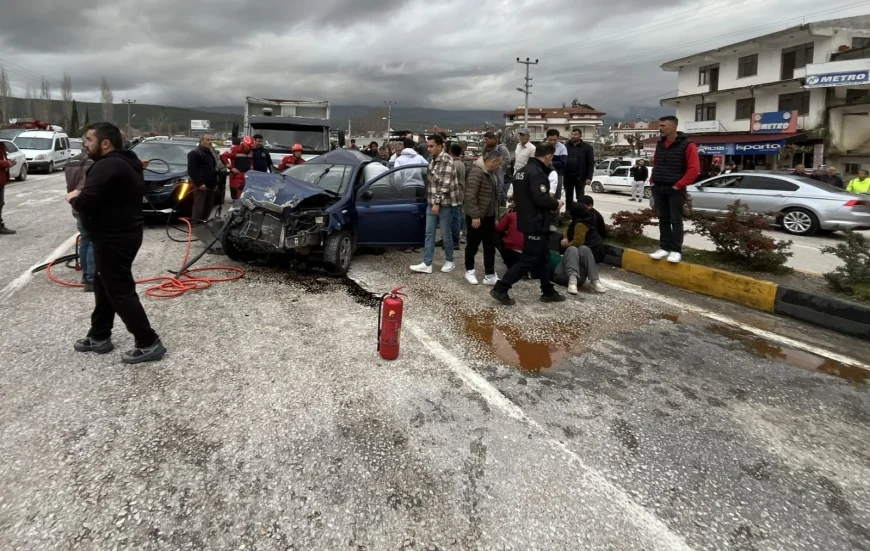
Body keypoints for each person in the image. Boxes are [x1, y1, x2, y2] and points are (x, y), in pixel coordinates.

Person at [66, 122, 165, 364]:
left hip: (114, 237)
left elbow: (87, 202)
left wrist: (74, 197)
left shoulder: (107, 165)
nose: (85, 145)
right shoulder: (127, 161)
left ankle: (148, 341)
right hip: (120, 234)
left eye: (89, 140)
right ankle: (99, 335)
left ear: (105, 143)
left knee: (119, 290)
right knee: (104, 285)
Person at [490, 143, 564, 306]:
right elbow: (541, 198)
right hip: (536, 222)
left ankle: (548, 291)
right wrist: (556, 203)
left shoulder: (521, 172)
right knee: (528, 260)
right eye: (551, 158)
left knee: (544, 257)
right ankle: (501, 288)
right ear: (548, 156)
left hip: (527, 220)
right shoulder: (537, 173)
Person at [648, 115, 700, 264]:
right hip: (659, 187)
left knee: (676, 220)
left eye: (663, 126)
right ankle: (664, 247)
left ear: (673, 126)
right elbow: (656, 164)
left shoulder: (688, 145)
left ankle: (676, 250)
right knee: (663, 219)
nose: (660, 128)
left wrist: (679, 185)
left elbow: (694, 169)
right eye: (659, 125)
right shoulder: (660, 144)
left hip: (675, 189)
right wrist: (652, 181)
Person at [410, 134, 459, 274]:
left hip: (445, 203)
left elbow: (445, 184)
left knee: (445, 233)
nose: (429, 149)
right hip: (431, 202)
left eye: (431, 146)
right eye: (428, 146)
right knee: (429, 232)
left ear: (440, 146)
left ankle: (450, 260)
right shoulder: (432, 160)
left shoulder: (447, 160)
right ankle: (427, 263)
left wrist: (437, 203)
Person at [463, 150, 503, 285]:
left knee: (490, 246)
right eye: (499, 163)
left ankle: (489, 274)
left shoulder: (491, 174)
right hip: (477, 217)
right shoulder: (477, 172)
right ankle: (469, 270)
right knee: (472, 245)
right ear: (493, 161)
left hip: (489, 216)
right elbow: (470, 195)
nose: (499, 166)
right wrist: (475, 216)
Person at [554, 203, 607, 294]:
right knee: (574, 249)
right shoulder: (587, 222)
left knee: (581, 248)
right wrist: (566, 237)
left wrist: (565, 245)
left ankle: (594, 279)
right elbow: (568, 230)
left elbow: (578, 242)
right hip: (564, 276)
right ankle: (576, 279)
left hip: (578, 278)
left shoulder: (580, 225)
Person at [65, 146, 95, 291]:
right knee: (93, 241)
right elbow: (85, 185)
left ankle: (86, 275)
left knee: (85, 240)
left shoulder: (72, 161)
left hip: (76, 206)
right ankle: (91, 279)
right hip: (88, 206)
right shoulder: (93, 162)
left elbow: (70, 185)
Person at [186, 133, 218, 223]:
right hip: (201, 186)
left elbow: (212, 168)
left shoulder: (209, 153)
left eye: (211, 140)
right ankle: (195, 224)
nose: (210, 142)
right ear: (201, 141)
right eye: (208, 140)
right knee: (199, 207)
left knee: (208, 207)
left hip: (210, 185)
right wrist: (199, 183)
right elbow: (192, 171)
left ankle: (203, 224)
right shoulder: (195, 153)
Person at [564, 128, 595, 208]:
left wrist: (589, 177)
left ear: (580, 136)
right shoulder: (566, 146)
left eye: (575, 134)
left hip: (580, 177)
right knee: (568, 197)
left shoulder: (587, 147)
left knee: (580, 198)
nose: (573, 136)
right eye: (572, 134)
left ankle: (580, 212)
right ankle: (568, 212)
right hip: (568, 176)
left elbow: (590, 163)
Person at [222, 136, 254, 200]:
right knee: (236, 197)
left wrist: (251, 170)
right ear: (244, 144)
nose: (248, 149)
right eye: (247, 147)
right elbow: (223, 156)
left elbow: (251, 162)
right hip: (236, 176)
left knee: (246, 197)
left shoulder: (251, 151)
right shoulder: (235, 149)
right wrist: (231, 168)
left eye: (250, 147)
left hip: (246, 176)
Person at [495, 197, 524, 270]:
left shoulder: (511, 215)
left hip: (512, 248)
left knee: (496, 235)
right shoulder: (533, 217)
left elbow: (498, 228)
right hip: (528, 250)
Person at [448, 143, 466, 250]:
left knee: (454, 217)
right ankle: (450, 239)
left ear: (450, 152)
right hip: (460, 193)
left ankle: (455, 241)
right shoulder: (461, 163)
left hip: (455, 194)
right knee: (454, 216)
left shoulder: (454, 165)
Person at [482, 131, 512, 196]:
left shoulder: (501, 148)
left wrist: (499, 167)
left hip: (498, 173)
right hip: (487, 172)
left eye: (487, 139)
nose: (485, 141)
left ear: (493, 139)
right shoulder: (485, 147)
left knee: (499, 190)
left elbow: (507, 159)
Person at [0, 141, 17, 235]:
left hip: (1, 180)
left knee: (0, 203)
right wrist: (7, 163)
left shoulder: (1, 145)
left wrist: (9, 162)